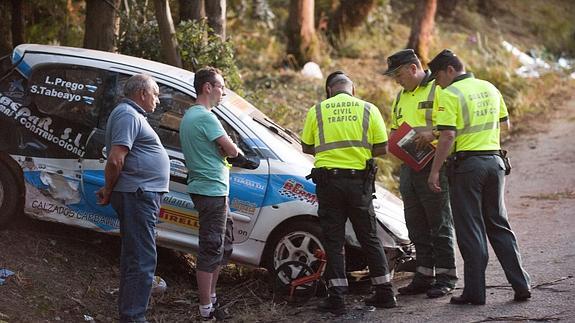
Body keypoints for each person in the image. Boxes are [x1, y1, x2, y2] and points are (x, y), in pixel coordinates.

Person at [426, 49, 531, 305]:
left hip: (468, 167)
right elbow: (504, 123)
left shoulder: (450, 94)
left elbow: (448, 136)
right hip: (495, 162)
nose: (438, 83)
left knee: (470, 228)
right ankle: (522, 285)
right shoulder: (490, 87)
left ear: (450, 70)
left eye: (438, 77)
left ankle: (475, 292)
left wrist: (435, 170)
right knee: (498, 223)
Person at [301, 71, 397, 315]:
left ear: (330, 91)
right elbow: (382, 148)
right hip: (359, 184)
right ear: (352, 90)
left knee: (334, 240)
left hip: (329, 183)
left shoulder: (318, 110)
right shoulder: (368, 109)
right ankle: (385, 293)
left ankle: (337, 298)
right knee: (369, 237)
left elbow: (306, 146)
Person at [383, 49, 457, 298]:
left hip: (435, 165)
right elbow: (396, 129)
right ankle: (425, 275)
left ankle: (447, 276)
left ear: (413, 68)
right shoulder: (400, 97)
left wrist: (433, 134)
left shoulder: (439, 89)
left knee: (439, 222)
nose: (396, 79)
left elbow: (452, 125)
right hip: (409, 167)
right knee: (415, 223)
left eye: (398, 74)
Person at [96, 74, 170, 322]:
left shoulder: (131, 115)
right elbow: (116, 159)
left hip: (137, 194)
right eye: (156, 94)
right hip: (137, 195)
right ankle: (134, 317)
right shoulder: (128, 114)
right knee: (142, 260)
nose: (157, 100)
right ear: (142, 93)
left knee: (134, 257)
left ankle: (130, 314)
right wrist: (108, 189)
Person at [179, 67, 239, 320]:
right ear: (207, 87)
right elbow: (232, 151)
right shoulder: (205, 117)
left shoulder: (191, 115)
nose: (223, 92)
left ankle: (212, 300)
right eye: (221, 87)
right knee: (211, 246)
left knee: (223, 244)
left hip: (211, 189)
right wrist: (228, 147)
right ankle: (206, 309)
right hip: (210, 190)